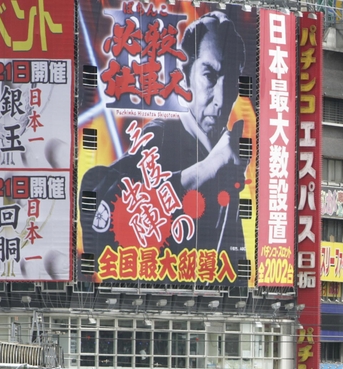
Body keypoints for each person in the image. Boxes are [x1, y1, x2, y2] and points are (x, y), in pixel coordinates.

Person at [78, 11, 253, 266]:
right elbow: (99, 198)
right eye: (210, 76)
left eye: (232, 80)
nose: (221, 97)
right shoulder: (160, 137)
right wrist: (208, 168)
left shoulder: (231, 156)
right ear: (185, 77)